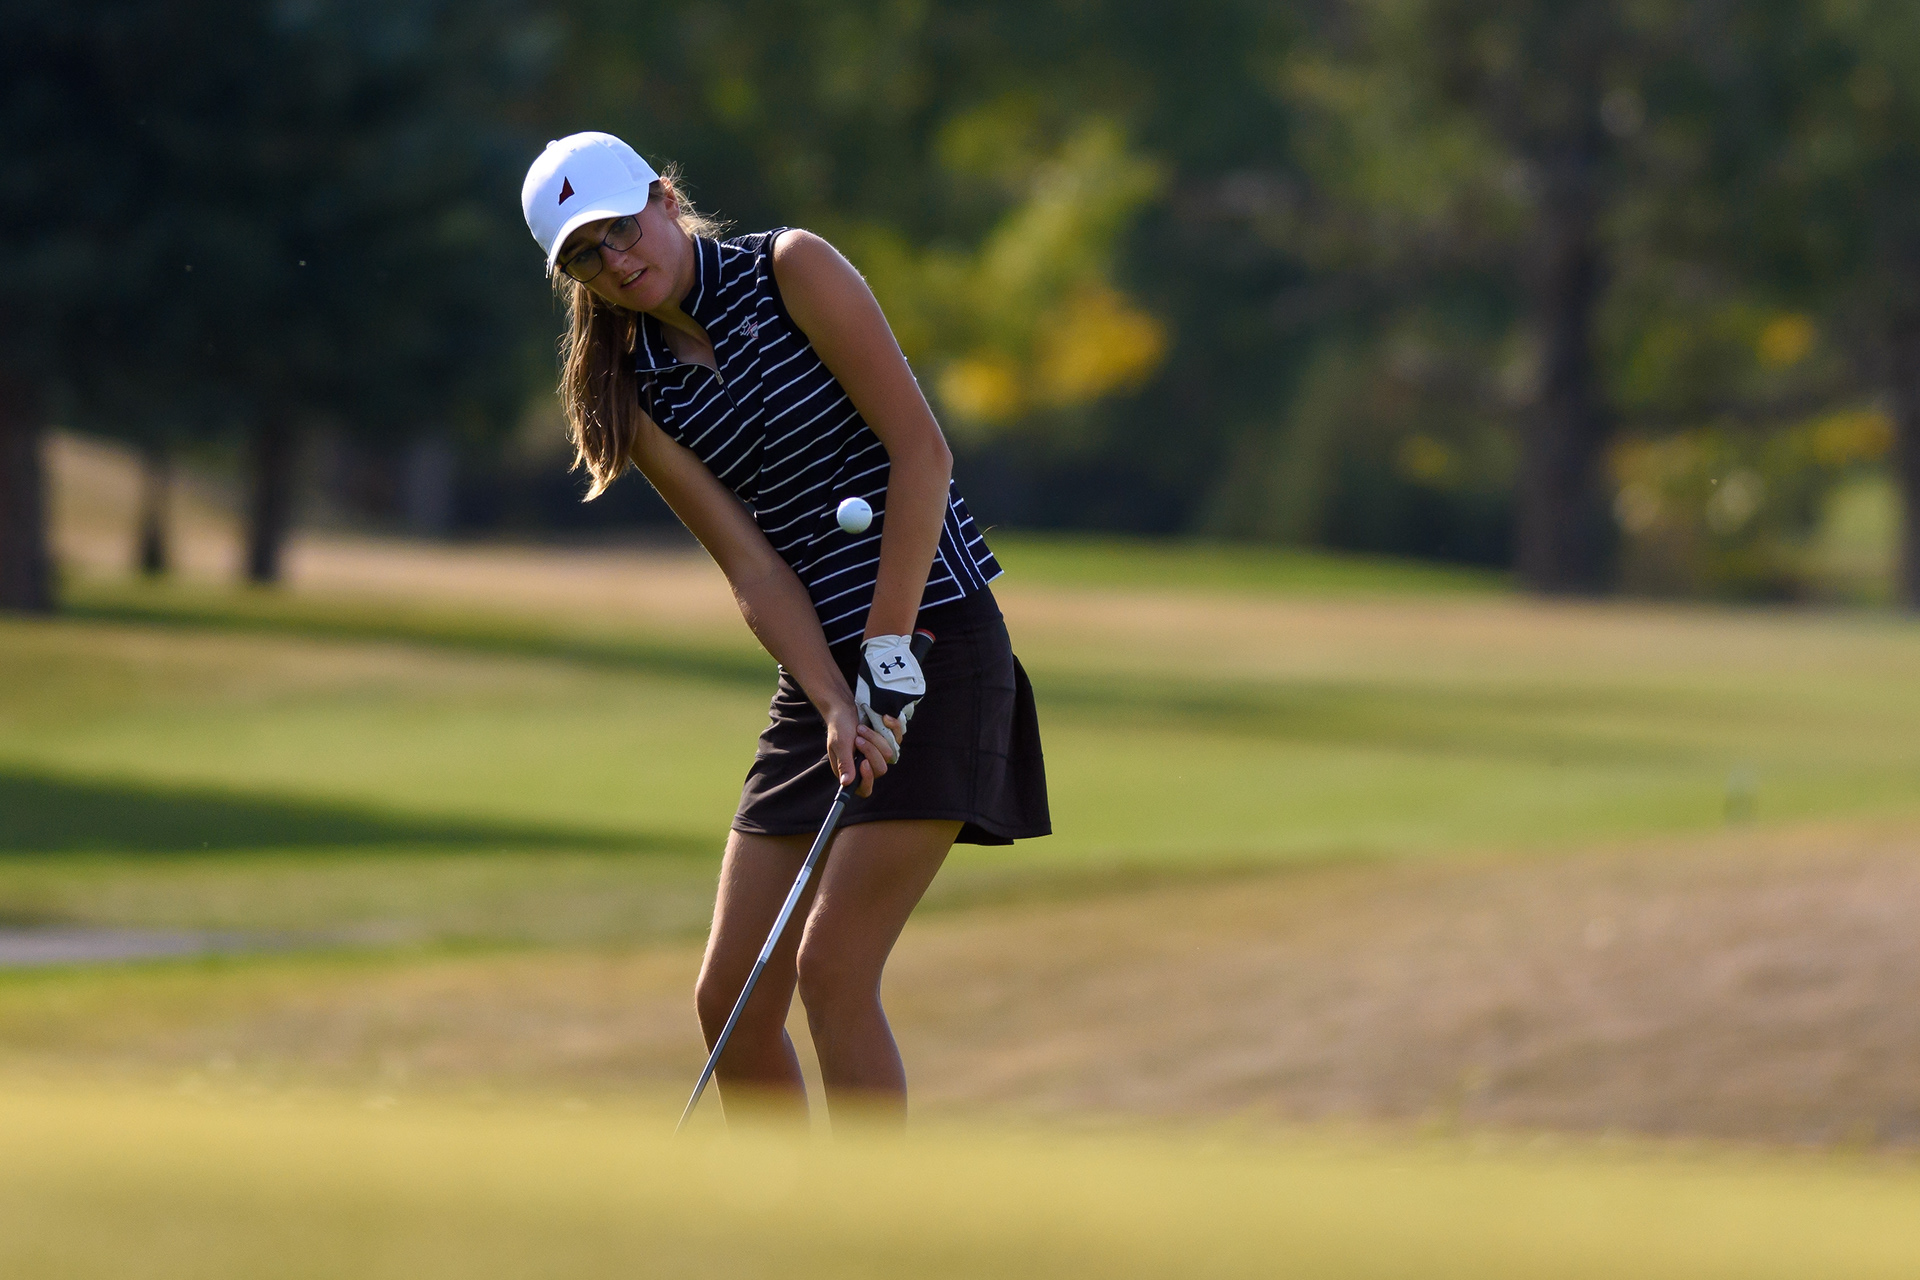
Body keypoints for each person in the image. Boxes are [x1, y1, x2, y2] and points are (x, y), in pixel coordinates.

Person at [520, 132, 1049, 1126]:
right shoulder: (634, 393)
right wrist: (830, 695)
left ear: (664, 199)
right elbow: (754, 569)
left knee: (830, 967)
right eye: (588, 255)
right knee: (730, 1001)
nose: (620, 262)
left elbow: (920, 454)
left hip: (933, 637)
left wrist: (887, 658)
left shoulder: (789, 268)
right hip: (826, 672)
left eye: (623, 230)